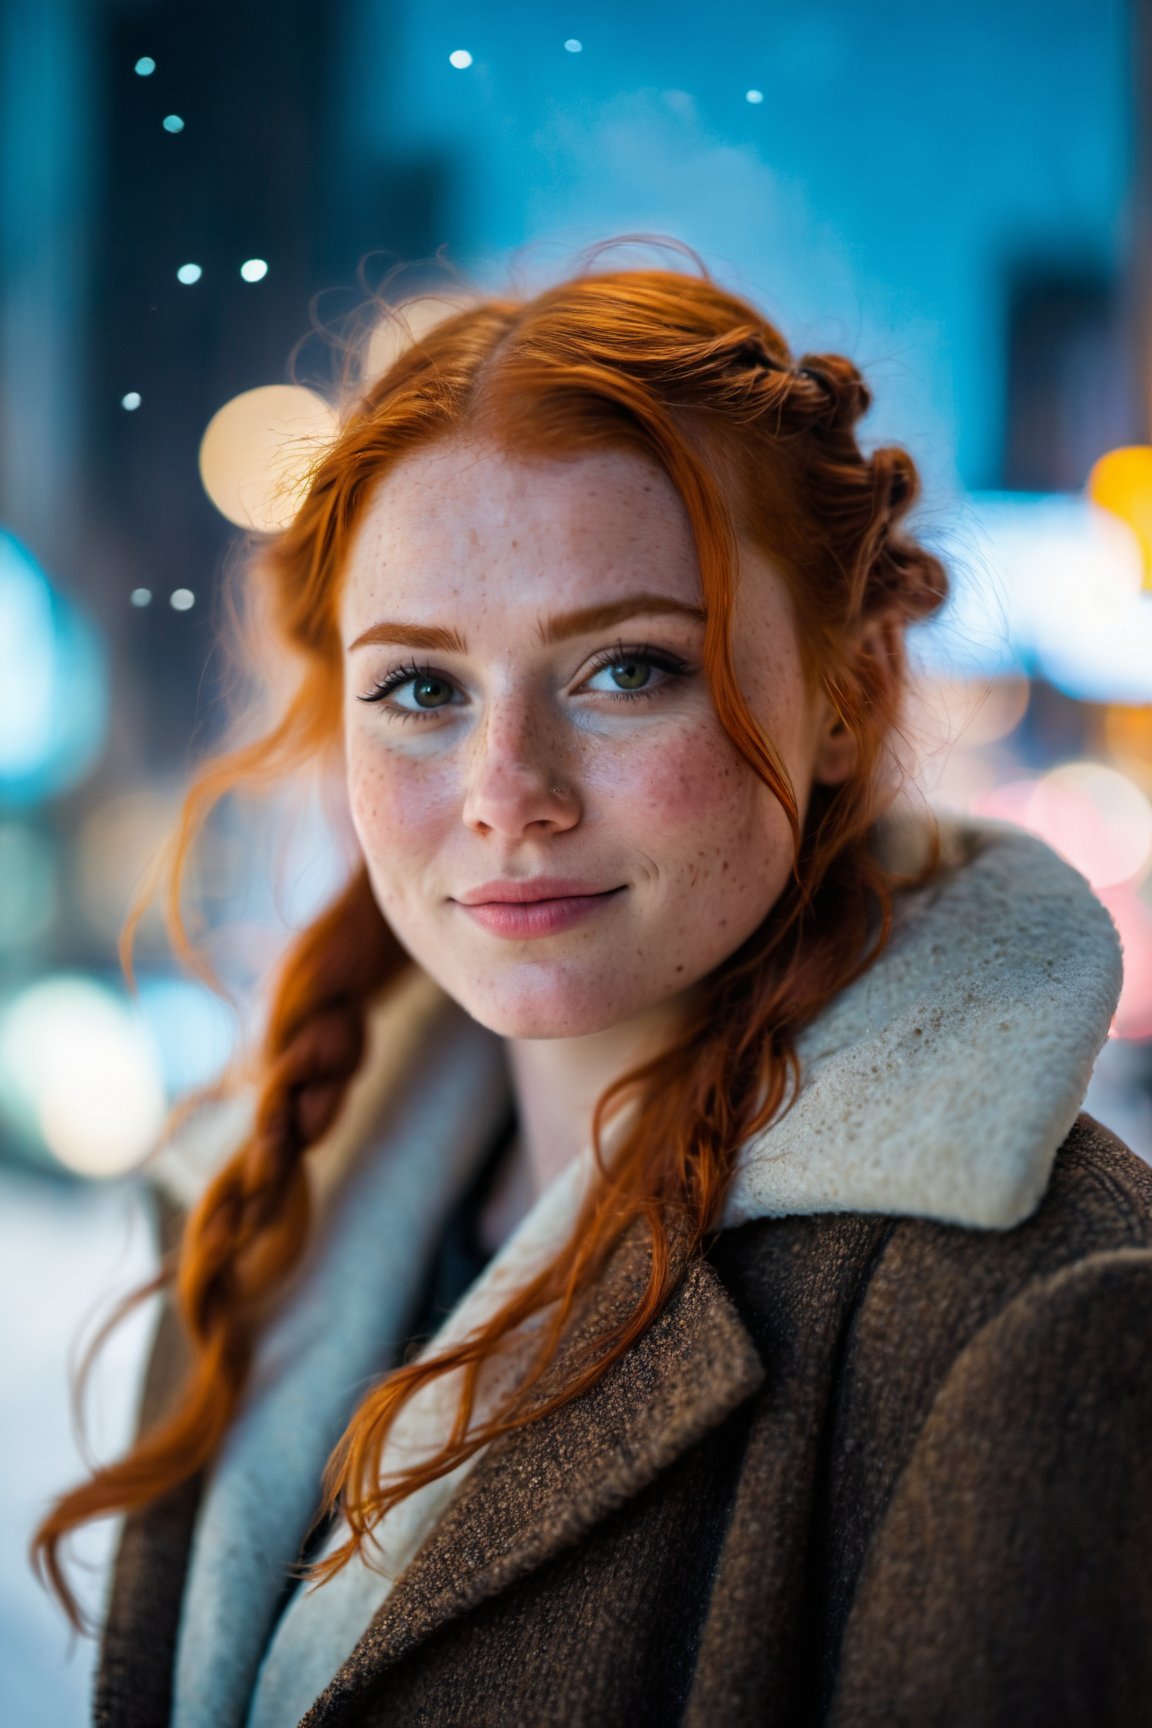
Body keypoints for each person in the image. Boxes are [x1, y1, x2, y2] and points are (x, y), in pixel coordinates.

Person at [34, 251, 1152, 1728]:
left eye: (627, 670)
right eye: (425, 689)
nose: (509, 797)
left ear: (849, 694)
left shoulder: (1040, 1326)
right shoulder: (270, 1209)